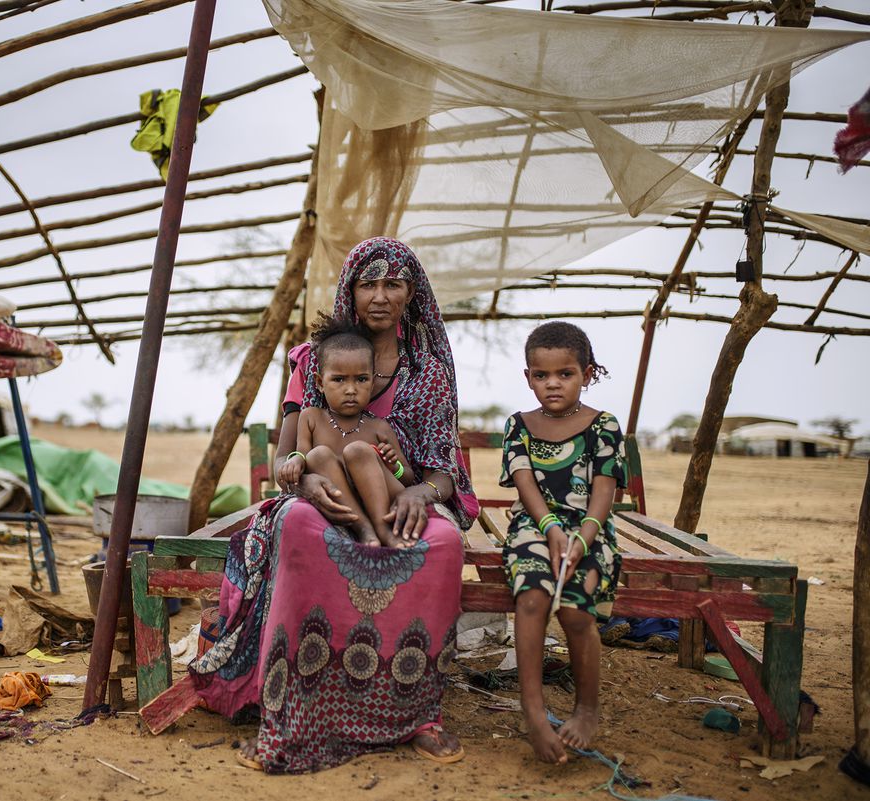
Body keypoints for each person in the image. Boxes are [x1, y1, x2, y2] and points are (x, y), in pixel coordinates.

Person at [190, 237, 479, 774]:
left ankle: (418, 714)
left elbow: (441, 472)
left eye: (393, 284)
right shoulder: (311, 359)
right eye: (368, 283)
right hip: (321, 494)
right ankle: (292, 710)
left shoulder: (429, 372)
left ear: (412, 292)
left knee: (441, 543)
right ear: (350, 288)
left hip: (396, 497)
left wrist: (418, 493)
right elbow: (287, 456)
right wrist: (303, 484)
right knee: (300, 527)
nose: (380, 296)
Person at [500, 321, 627, 764]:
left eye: (565, 373)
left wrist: (581, 539)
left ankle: (587, 708)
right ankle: (534, 712)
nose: (552, 383)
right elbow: (525, 485)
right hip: (534, 525)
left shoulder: (604, 425)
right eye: (541, 375)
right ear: (528, 377)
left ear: (587, 374)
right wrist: (552, 529)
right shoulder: (519, 426)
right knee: (532, 598)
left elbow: (604, 492)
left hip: (590, 529)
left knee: (575, 610)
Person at [278, 315, 416, 547]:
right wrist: (295, 461)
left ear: (372, 382)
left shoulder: (379, 427)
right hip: (339, 498)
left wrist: (394, 466)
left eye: (361, 379)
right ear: (320, 383)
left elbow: (408, 478)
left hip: (380, 497)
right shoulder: (310, 417)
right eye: (339, 380)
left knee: (358, 451)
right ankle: (364, 529)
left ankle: (382, 529)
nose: (351, 389)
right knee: (317, 455)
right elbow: (303, 453)